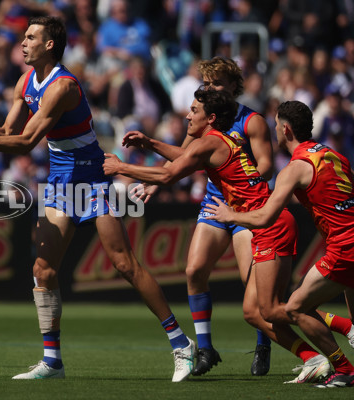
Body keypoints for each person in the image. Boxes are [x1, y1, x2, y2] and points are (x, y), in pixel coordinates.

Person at [0, 16, 196, 382]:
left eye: (30, 37)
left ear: (49, 45)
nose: (23, 42)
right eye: (24, 37)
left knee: (124, 265)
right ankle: (52, 361)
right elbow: (9, 132)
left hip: (91, 178)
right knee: (42, 270)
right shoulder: (25, 81)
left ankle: (180, 343)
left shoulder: (62, 86)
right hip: (61, 182)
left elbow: (26, 143)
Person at [103, 89, 334, 384]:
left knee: (273, 309)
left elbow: (167, 176)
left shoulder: (211, 142)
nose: (187, 115)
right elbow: (186, 158)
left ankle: (337, 339)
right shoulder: (221, 141)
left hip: (268, 225)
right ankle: (312, 358)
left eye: (194, 110)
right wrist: (149, 143)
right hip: (269, 223)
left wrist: (120, 167)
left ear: (210, 118)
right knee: (258, 312)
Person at [136, 57, 275, 376]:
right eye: (208, 83)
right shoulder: (203, 121)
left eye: (219, 83)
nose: (212, 88)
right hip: (214, 203)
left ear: (234, 86)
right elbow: (184, 159)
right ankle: (206, 349)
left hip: (244, 206)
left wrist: (241, 177)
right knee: (195, 270)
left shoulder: (252, 121)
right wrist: (158, 183)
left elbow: (267, 165)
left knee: (250, 282)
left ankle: (263, 343)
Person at [204, 100, 354, 388]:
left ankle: (343, 367)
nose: (274, 131)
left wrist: (230, 214)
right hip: (347, 240)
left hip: (344, 245)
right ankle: (345, 343)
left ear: (285, 129)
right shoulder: (333, 154)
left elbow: (265, 217)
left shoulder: (295, 168)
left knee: (296, 307)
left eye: (275, 126)